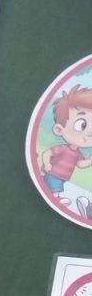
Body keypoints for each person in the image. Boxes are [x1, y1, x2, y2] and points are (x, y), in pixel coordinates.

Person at [42, 85, 92, 220]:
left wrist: (90, 160)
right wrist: (47, 164)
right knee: (54, 186)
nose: (90, 132)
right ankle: (56, 197)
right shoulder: (63, 148)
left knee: (56, 185)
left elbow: (80, 164)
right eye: (82, 125)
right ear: (59, 129)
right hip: (54, 173)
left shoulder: (78, 153)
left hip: (62, 176)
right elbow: (48, 153)